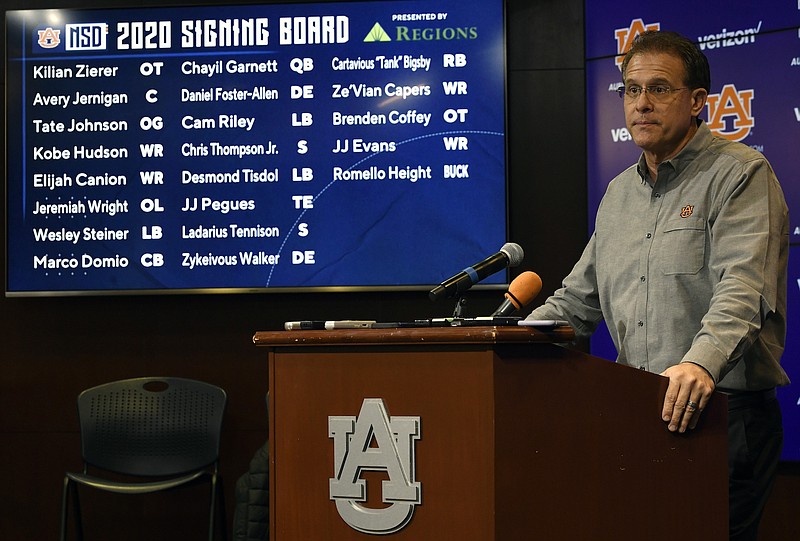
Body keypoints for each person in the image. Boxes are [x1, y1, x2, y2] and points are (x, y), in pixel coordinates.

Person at [526, 30, 789, 541]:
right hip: (638, 420)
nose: (641, 103)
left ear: (696, 102)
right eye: (630, 89)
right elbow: (576, 302)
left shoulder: (740, 174)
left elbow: (743, 289)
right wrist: (497, 342)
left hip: (722, 422)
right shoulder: (618, 194)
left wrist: (699, 363)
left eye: (659, 89)